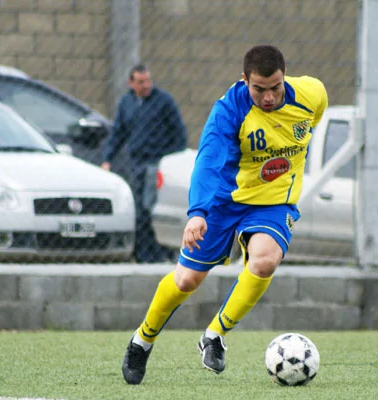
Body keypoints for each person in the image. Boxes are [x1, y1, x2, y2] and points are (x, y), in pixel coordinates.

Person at [121, 45, 328, 385]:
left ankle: (214, 335)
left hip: (272, 203)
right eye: (259, 89)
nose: (268, 97)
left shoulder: (312, 94)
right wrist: (198, 213)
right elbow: (207, 162)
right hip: (224, 202)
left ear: (284, 76)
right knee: (186, 280)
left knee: (265, 260)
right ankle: (141, 341)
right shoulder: (227, 112)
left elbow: (309, 123)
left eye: (275, 87)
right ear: (244, 80)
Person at [102, 64, 187, 263]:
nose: (146, 85)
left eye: (148, 80)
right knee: (138, 209)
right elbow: (118, 133)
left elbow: (179, 135)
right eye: (140, 82)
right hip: (136, 163)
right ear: (131, 83)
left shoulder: (163, 101)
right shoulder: (127, 103)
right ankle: (144, 254)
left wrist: (167, 159)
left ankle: (155, 254)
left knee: (148, 208)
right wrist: (107, 159)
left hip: (156, 163)